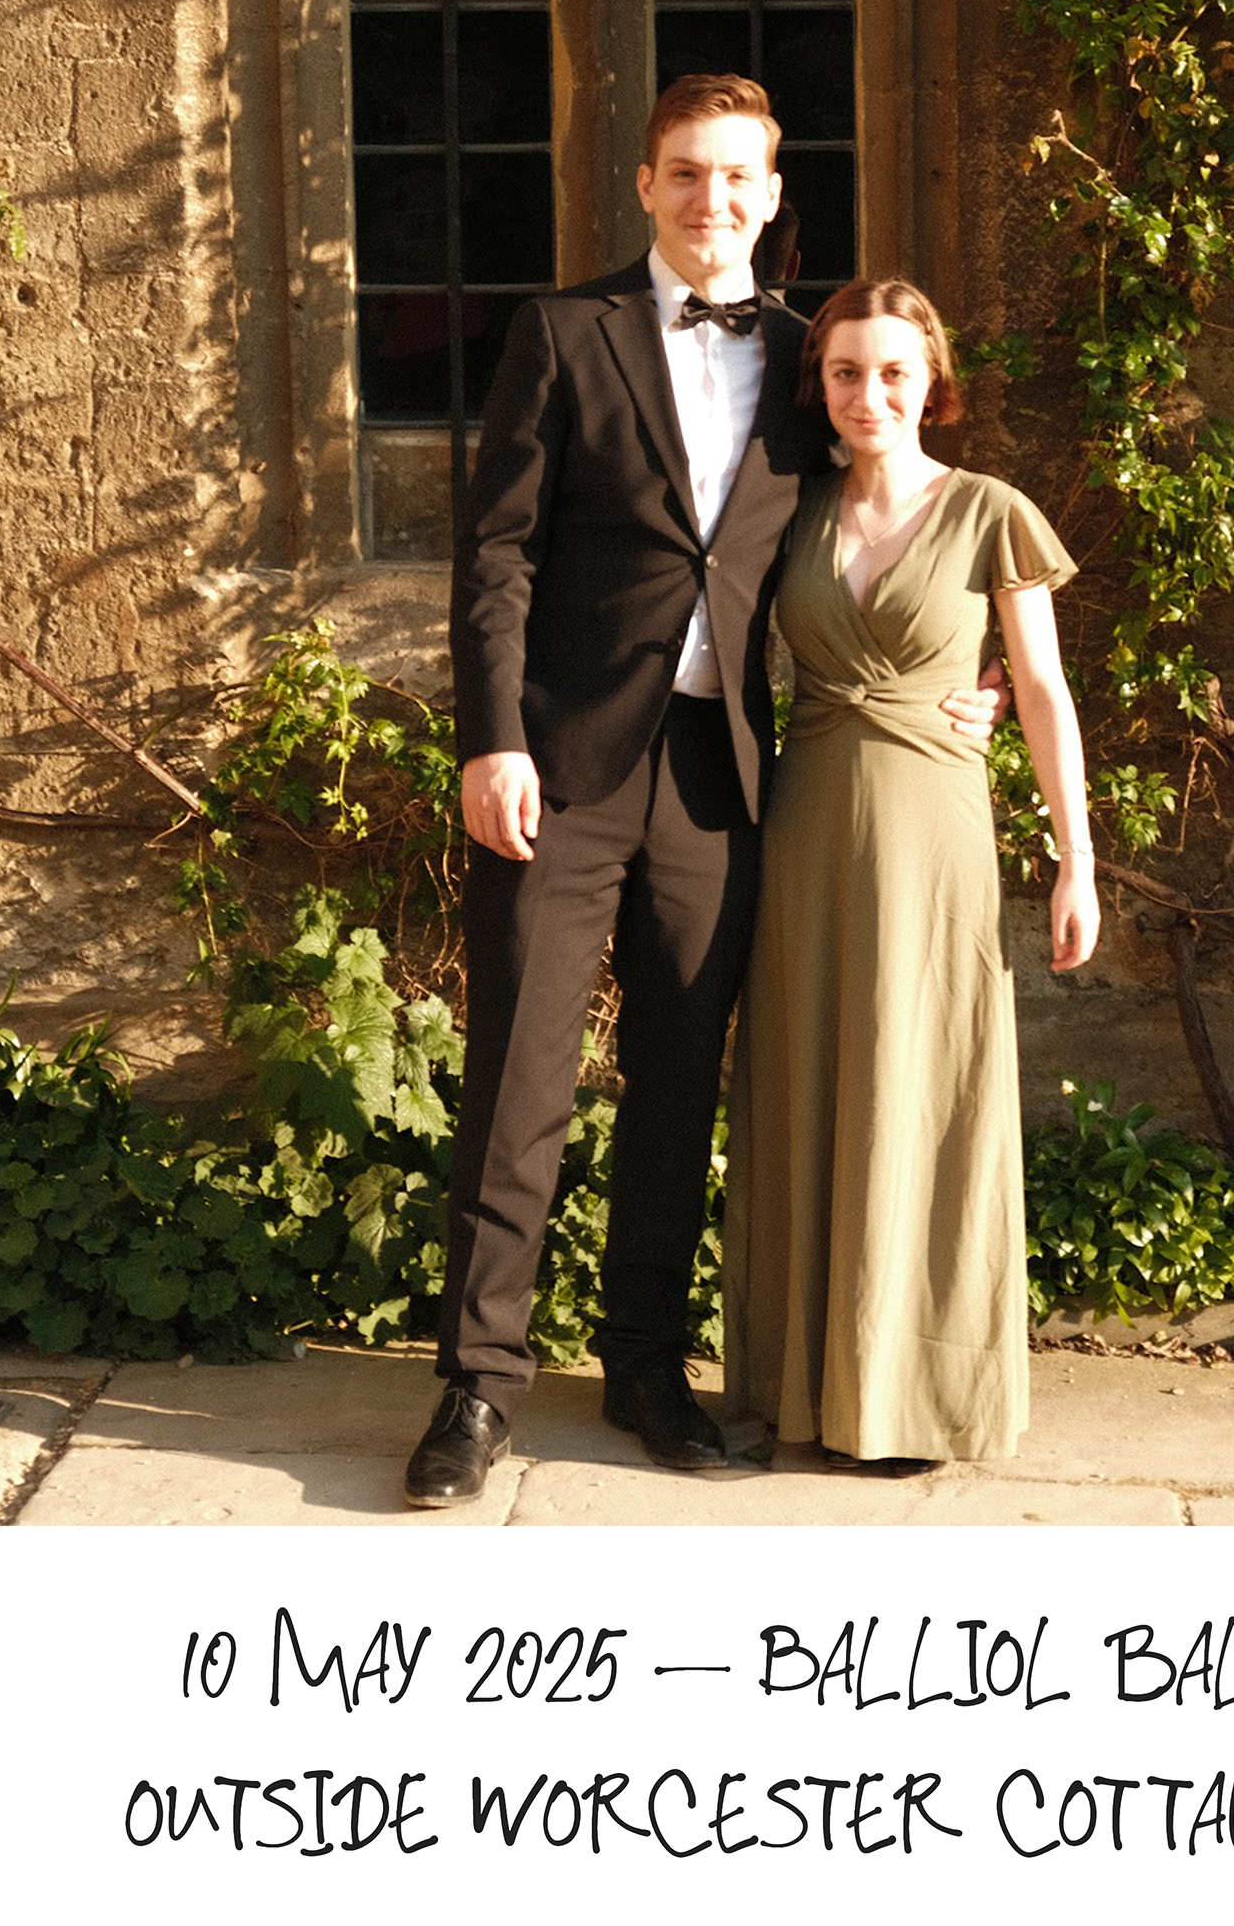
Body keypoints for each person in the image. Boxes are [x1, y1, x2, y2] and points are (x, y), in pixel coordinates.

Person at [406, 81, 1002, 1507]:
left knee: (679, 1085)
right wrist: (491, 739)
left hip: (726, 781)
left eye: (737, 176)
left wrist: (955, 682)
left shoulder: (816, 360)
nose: (711, 198)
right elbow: (494, 556)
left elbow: (904, 511)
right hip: (557, 765)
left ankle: (644, 1372)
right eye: (685, 173)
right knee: (517, 1083)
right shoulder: (561, 332)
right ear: (643, 184)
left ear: (774, 191)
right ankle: (475, 1394)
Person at [722, 278, 1100, 1475]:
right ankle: (802, 1386)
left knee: (925, 1084)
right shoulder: (788, 510)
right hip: (805, 830)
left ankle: (917, 1396)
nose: (868, 393)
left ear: (931, 381)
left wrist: (1075, 860)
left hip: (934, 833)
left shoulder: (989, 509)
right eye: (844, 372)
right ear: (818, 386)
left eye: (892, 372)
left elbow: (1039, 689)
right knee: (809, 1083)